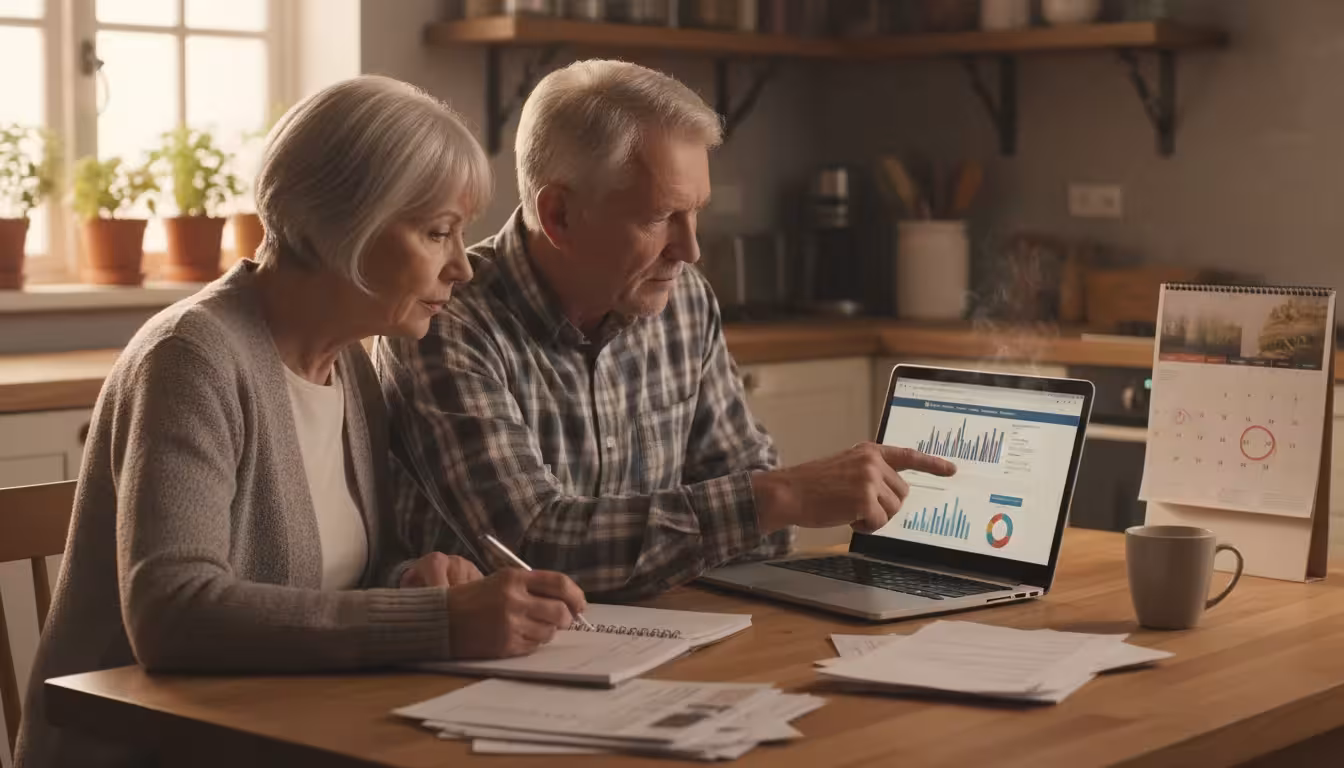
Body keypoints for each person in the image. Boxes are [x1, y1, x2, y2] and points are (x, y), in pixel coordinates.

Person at [15, 75, 586, 768]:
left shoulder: (348, 363)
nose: (462, 267)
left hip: (284, 731)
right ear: (341, 224)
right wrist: (435, 622)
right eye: (438, 232)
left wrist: (410, 580)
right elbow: (173, 613)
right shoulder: (192, 358)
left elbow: (323, 585)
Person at [375, 60, 955, 604]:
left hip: (667, 639)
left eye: (696, 211)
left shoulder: (684, 302)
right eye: (659, 217)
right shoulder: (447, 323)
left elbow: (760, 530)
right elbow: (531, 548)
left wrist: (768, 505)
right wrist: (781, 497)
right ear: (559, 217)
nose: (691, 249)